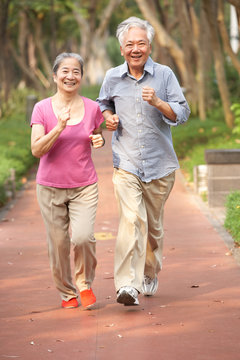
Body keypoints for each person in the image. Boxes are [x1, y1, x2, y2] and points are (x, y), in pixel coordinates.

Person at [97, 17, 190, 306]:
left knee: (153, 228)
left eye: (141, 43)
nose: (135, 48)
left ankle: (149, 271)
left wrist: (159, 103)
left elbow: (183, 113)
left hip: (160, 165)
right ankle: (127, 285)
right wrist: (107, 117)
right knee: (132, 220)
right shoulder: (112, 76)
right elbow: (103, 103)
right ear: (121, 48)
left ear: (149, 46)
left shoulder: (164, 75)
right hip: (126, 162)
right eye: (129, 44)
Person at [31, 52, 105, 309]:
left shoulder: (92, 108)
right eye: (65, 71)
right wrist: (59, 127)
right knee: (59, 243)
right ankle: (67, 292)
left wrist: (100, 140)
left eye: (76, 71)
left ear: (81, 77)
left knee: (83, 236)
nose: (70, 76)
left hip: (84, 184)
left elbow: (96, 135)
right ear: (54, 76)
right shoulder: (41, 108)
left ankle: (84, 284)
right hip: (50, 187)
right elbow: (37, 149)